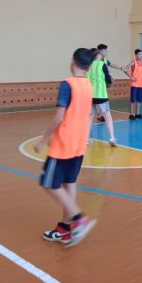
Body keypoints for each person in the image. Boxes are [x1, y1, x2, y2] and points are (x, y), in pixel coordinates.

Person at [35, 48, 97, 246]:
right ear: (88, 67)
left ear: (72, 62)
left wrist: (44, 140)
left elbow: (59, 116)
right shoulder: (88, 85)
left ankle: (79, 219)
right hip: (79, 143)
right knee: (69, 183)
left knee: (48, 183)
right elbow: (89, 114)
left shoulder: (67, 84)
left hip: (64, 144)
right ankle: (64, 229)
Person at [87, 49, 117, 147]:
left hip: (90, 95)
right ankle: (112, 137)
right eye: (100, 54)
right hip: (101, 95)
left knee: (90, 117)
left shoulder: (88, 65)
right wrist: (111, 80)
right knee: (107, 116)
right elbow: (108, 80)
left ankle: (86, 139)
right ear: (97, 55)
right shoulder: (102, 65)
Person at [96, 43, 128, 122]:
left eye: (106, 50)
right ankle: (99, 115)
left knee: (101, 99)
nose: (106, 52)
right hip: (97, 83)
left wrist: (121, 68)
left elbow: (112, 65)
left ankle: (100, 115)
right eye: (105, 50)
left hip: (103, 82)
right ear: (100, 51)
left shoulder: (105, 60)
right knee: (98, 100)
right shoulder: (95, 60)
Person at [124, 49, 142, 120]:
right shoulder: (133, 62)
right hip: (134, 84)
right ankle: (131, 114)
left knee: (139, 100)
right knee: (133, 100)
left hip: (141, 84)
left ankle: (137, 114)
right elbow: (125, 69)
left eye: (141, 54)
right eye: (139, 54)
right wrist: (131, 77)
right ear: (136, 55)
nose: (141, 55)